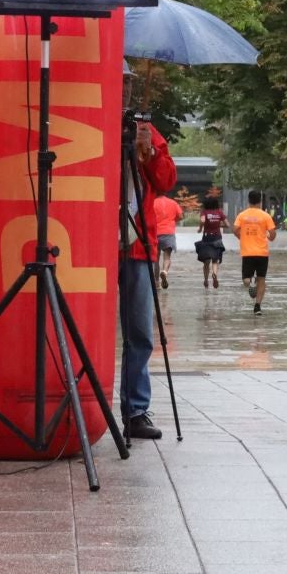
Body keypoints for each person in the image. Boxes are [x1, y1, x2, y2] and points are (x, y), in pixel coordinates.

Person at [119, 117, 177, 440]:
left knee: (140, 331)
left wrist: (150, 152)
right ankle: (81, 402)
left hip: (139, 245)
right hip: (93, 247)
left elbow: (167, 180)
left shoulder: (146, 130)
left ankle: (135, 410)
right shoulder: (94, 118)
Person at [234, 190, 277, 314]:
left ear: (248, 200)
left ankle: (251, 282)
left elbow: (235, 229)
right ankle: (257, 306)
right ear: (260, 201)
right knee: (262, 279)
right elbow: (273, 234)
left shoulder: (242, 215)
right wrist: (269, 237)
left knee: (246, 279)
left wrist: (242, 237)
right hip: (262, 253)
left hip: (247, 252)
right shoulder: (265, 216)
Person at [195, 190, 227, 288]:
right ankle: (214, 274)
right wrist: (218, 225)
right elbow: (227, 225)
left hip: (207, 238)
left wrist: (200, 228)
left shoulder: (204, 212)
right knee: (215, 260)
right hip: (217, 238)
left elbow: (202, 220)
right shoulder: (219, 212)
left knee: (206, 261)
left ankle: (205, 280)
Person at [151, 192, 182, 289]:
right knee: (167, 257)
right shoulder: (173, 203)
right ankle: (164, 271)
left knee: (156, 259)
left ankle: (156, 282)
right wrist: (172, 221)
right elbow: (180, 216)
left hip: (155, 233)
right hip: (168, 232)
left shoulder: (153, 202)